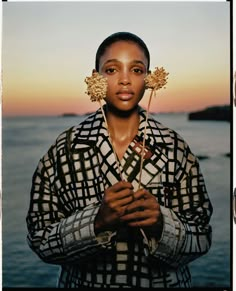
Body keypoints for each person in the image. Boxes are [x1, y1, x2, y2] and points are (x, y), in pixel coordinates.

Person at [26, 31, 213, 288]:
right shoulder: (63, 150)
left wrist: (161, 224)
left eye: (136, 70)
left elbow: (202, 236)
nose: (125, 80)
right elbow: (39, 239)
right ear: (95, 78)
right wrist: (97, 221)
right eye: (112, 70)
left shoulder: (175, 146)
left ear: (149, 79)